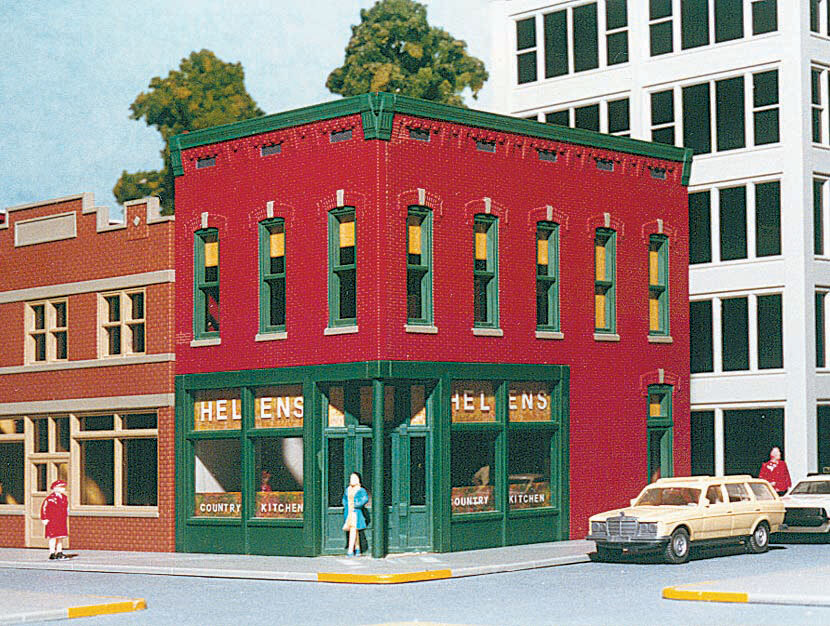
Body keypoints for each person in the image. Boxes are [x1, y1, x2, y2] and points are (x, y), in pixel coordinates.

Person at [40, 479, 69, 560]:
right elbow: (44, 508)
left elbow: (66, 507)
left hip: (61, 520)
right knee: (52, 537)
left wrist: (66, 513)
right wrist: (44, 518)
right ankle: (52, 552)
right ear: (55, 488)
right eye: (61, 487)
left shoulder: (64, 498)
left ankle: (59, 551)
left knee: (60, 537)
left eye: (63, 487)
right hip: (52, 520)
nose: (63, 489)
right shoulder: (50, 499)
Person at [341, 472, 368, 556]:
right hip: (349, 511)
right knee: (354, 530)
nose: (352, 480)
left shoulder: (361, 490)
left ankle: (350, 550)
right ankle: (357, 548)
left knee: (353, 529)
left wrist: (356, 505)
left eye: (354, 478)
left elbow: (365, 499)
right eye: (351, 478)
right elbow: (344, 499)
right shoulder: (348, 489)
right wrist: (346, 504)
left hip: (356, 512)